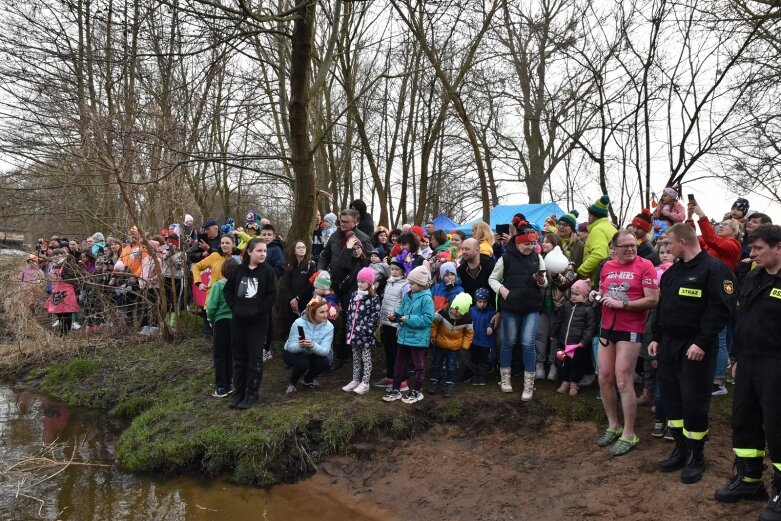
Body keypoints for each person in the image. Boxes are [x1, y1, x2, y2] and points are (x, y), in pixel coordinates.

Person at [648, 223, 734, 483]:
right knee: (672, 398)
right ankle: (681, 449)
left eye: (669, 244)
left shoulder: (714, 269)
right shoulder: (673, 271)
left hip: (696, 346)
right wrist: (655, 337)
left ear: (683, 243)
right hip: (669, 345)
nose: (665, 248)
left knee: (694, 401)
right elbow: (662, 308)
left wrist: (702, 341)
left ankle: (697, 455)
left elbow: (722, 309)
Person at [714, 224, 781, 521]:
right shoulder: (753, 276)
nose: (751, 254)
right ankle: (750, 479)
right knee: (744, 420)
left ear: (779, 248)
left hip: (776, 362)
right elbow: (743, 318)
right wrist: (738, 356)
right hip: (750, 361)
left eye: (758, 249)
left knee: (777, 427)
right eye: (750, 248)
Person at [594, 229, 659, 457]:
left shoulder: (645, 266)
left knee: (623, 378)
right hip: (607, 327)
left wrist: (623, 305)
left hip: (630, 328)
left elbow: (652, 299)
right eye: (625, 246)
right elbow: (603, 291)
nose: (631, 248)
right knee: (604, 376)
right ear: (615, 249)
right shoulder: (607, 267)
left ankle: (630, 433)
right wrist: (598, 296)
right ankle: (613, 425)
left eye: (633, 244)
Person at [488, 220, 547, 400]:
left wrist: (540, 280)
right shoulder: (505, 258)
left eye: (532, 243)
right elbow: (493, 279)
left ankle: (529, 383)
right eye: (526, 244)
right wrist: (503, 291)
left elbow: (545, 283)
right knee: (509, 341)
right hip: (511, 307)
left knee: (528, 343)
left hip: (531, 307)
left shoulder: (538, 257)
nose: (530, 247)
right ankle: (505, 378)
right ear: (517, 242)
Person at [222, 238, 277, 410]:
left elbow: (272, 295)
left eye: (265, 251)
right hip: (238, 321)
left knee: (254, 357)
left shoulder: (268, 272)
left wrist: (258, 310)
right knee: (239, 357)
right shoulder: (238, 270)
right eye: (259, 251)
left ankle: (252, 392)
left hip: (258, 323)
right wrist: (235, 308)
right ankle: (239, 391)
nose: (263, 254)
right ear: (250, 252)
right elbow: (228, 290)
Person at [382, 265, 435, 404]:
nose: (409, 286)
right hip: (404, 336)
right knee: (399, 364)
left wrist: (409, 319)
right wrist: (396, 316)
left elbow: (428, 319)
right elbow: (402, 310)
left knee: (419, 366)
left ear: (421, 284)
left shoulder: (427, 299)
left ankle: (416, 391)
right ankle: (395, 389)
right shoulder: (408, 295)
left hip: (418, 339)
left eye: (412, 283)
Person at [551, 279, 596, 396]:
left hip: (577, 345)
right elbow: (559, 321)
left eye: (577, 294)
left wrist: (584, 341)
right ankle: (565, 381)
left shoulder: (588, 309)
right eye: (572, 294)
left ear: (586, 296)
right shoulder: (566, 306)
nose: (573, 297)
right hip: (562, 343)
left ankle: (574, 383)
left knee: (576, 364)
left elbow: (590, 327)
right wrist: (553, 333)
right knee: (562, 362)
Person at [341, 268, 382, 395]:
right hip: (353, 334)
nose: (360, 284)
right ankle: (355, 380)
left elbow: (375, 315)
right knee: (356, 358)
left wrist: (366, 329)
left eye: (363, 282)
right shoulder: (354, 295)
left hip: (365, 336)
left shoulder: (373, 298)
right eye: (358, 281)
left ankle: (365, 383)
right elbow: (349, 312)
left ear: (369, 283)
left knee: (366, 358)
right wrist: (349, 326)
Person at [283, 297, 334, 398]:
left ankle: (307, 380)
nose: (325, 315)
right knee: (303, 363)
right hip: (294, 352)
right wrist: (301, 345)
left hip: (312, 351)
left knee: (324, 362)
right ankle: (292, 384)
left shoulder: (329, 327)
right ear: (313, 312)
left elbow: (325, 351)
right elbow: (290, 347)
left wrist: (313, 345)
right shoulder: (298, 323)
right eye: (322, 312)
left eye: (326, 311)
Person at [428, 292, 474, 397]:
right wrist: (433, 336)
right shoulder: (442, 313)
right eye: (453, 309)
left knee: (451, 366)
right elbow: (434, 324)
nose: (454, 313)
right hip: (440, 343)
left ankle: (449, 384)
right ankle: (433, 381)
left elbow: (469, 333)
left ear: (464, 313)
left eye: (458, 312)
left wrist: (465, 345)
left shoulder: (467, 320)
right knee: (436, 363)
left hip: (454, 347)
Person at [535, 233, 567, 381]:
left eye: (547, 241)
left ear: (555, 243)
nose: (544, 243)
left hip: (557, 306)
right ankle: (539, 364)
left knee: (554, 337)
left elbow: (567, 283)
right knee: (540, 335)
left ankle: (554, 365)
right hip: (541, 304)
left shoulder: (566, 261)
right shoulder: (538, 260)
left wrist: (556, 275)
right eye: (543, 241)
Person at [206, 258, 239, 398]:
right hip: (236, 322)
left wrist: (210, 319)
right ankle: (229, 382)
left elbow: (212, 305)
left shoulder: (218, 285)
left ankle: (221, 387)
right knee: (231, 354)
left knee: (220, 354)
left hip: (221, 321)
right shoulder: (239, 286)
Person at [375, 259, 409, 391]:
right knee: (388, 352)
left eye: (397, 270)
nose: (394, 272)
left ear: (403, 271)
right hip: (386, 322)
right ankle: (390, 378)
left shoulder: (405, 285)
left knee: (397, 353)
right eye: (392, 269)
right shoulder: (389, 282)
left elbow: (405, 304)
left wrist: (399, 320)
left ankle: (401, 381)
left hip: (396, 324)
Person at [577, 195, 618, 284]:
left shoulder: (597, 229)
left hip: (596, 280)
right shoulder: (612, 228)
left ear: (593, 216)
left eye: (589, 215)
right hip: (611, 277)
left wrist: (581, 271)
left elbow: (599, 255)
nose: (588, 218)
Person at [45, 249, 82, 335]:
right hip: (56, 291)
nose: (56, 256)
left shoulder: (68, 265)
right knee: (58, 313)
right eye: (54, 255)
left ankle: (66, 332)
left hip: (66, 292)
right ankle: (62, 330)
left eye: (58, 254)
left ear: (63, 255)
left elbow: (76, 278)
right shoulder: (52, 265)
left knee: (66, 313)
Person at [283, 241, 317, 332]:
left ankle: (304, 344)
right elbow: (287, 284)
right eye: (298, 247)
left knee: (304, 326)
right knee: (293, 325)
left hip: (305, 301)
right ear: (294, 251)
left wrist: (297, 298)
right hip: (292, 302)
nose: (301, 249)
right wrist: (292, 299)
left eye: (303, 247)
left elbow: (311, 284)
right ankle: (293, 343)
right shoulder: (291, 266)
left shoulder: (311, 264)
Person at [192, 234, 238, 301]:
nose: (224, 245)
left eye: (227, 243)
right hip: (213, 296)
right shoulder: (214, 256)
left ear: (233, 244)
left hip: (231, 296)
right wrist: (199, 283)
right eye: (222, 243)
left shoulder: (238, 258)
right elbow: (196, 267)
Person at [468, 288, 495, 385]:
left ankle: (482, 376)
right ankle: (475, 375)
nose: (482, 304)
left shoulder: (491, 311)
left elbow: (492, 322)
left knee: (484, 359)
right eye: (480, 302)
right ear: (476, 301)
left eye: (484, 302)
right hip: (474, 340)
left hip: (486, 341)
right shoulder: (471, 311)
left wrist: (490, 327)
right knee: (474, 358)